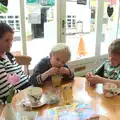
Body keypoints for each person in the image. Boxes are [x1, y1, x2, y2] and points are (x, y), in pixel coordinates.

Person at [0, 22, 31, 103]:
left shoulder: (8, 54)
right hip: (16, 99)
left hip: (26, 90)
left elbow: (21, 74)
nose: (10, 44)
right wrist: (27, 92)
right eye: (6, 40)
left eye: (11, 40)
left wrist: (33, 83)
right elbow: (6, 92)